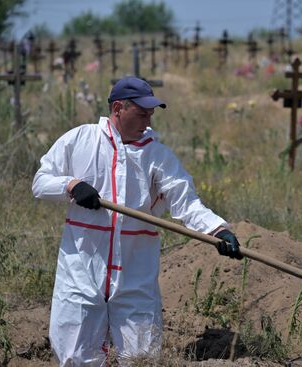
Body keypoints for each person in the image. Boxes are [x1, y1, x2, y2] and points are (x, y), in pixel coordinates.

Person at [32, 76, 243, 365]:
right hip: (81, 270)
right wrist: (71, 185)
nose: (149, 119)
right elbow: (40, 182)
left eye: (151, 113)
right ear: (118, 108)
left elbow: (185, 201)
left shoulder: (157, 155)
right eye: (142, 113)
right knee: (75, 355)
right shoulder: (80, 139)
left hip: (135, 274)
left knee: (142, 357)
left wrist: (217, 229)